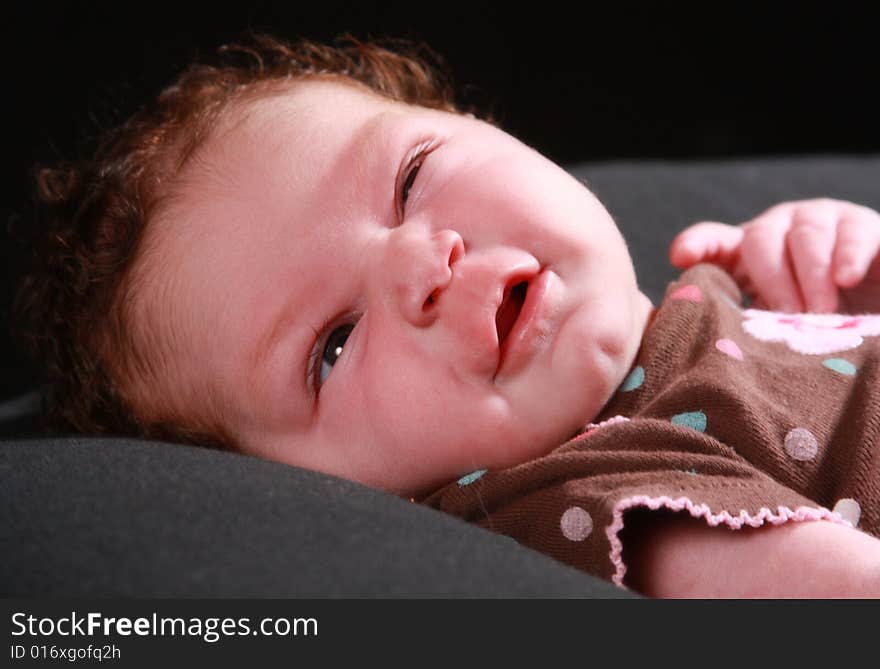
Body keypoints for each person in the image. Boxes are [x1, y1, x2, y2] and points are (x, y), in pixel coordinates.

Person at [13, 33, 880, 597]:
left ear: (477, 123)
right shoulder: (591, 490)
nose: (424, 266)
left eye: (410, 177)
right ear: (303, 486)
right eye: (334, 344)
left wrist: (836, 260)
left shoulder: (719, 281)